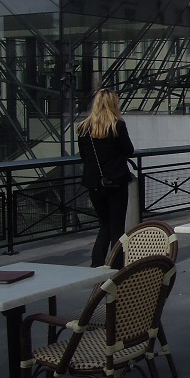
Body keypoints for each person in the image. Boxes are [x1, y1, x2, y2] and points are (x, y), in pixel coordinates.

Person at [77, 89, 135, 267]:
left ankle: (96, 263)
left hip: (94, 184)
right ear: (113, 104)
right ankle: (117, 265)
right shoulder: (117, 125)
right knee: (117, 227)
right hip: (116, 182)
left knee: (104, 224)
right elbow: (128, 150)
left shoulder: (83, 128)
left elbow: (83, 156)